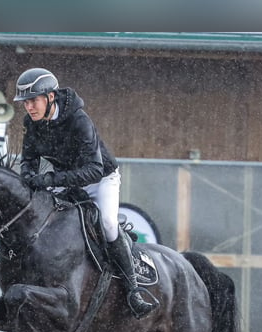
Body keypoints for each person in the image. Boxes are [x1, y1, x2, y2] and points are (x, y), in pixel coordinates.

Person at [13, 67, 159, 319]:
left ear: (50, 97)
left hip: (100, 180)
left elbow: (94, 169)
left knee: (108, 224)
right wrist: (27, 176)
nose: (29, 107)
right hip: (66, 182)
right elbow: (28, 160)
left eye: (33, 100)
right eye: (25, 102)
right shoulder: (32, 123)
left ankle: (133, 291)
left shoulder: (78, 120)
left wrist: (50, 179)